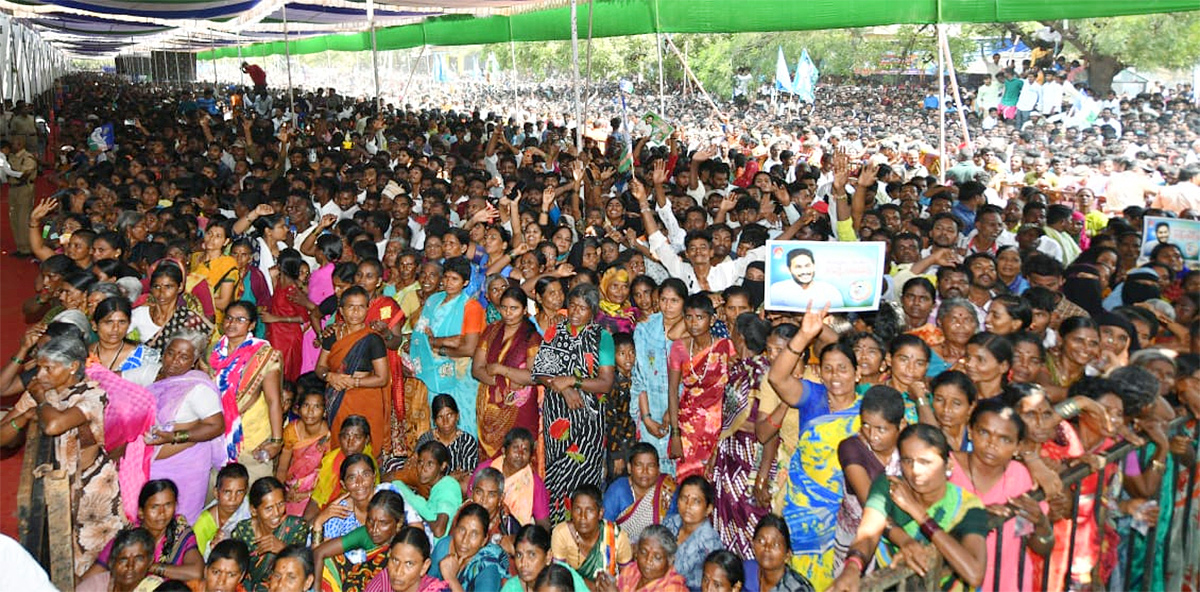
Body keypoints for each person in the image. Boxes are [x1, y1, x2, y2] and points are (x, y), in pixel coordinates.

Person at [1, 335, 125, 578]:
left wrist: (38, 400)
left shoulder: (91, 394)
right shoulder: (44, 390)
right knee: (64, 561)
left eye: (49, 368)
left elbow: (54, 424)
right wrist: (24, 418)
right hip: (59, 492)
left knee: (95, 567)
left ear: (73, 367)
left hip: (92, 492)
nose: (40, 375)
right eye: (40, 367)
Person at [828, 425, 989, 592]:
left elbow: (974, 574)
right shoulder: (889, 487)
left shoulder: (966, 505)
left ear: (948, 465)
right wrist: (852, 567)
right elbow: (868, 534)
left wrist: (917, 512)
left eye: (925, 462)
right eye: (907, 460)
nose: (915, 471)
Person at [767, 308, 862, 589]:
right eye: (828, 368)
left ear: (857, 374)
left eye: (843, 368)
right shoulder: (813, 396)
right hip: (804, 513)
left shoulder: (867, 411)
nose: (835, 376)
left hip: (846, 516)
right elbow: (777, 378)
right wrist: (804, 335)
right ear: (819, 371)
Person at [947, 399, 1054, 591]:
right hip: (955, 582)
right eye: (984, 432)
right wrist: (973, 517)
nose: (991, 444)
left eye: (1004, 439)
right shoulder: (947, 468)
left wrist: (1040, 523)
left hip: (1007, 582)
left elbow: (1042, 547)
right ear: (970, 431)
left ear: (1018, 446)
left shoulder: (1018, 475)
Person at [532, 283, 616, 522]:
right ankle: (558, 532)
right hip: (557, 417)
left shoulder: (603, 337)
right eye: (573, 306)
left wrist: (572, 382)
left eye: (583, 308)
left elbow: (605, 383)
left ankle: (585, 528)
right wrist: (564, 390)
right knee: (557, 476)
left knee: (584, 476)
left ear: (593, 311)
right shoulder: (554, 332)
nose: (577, 312)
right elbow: (539, 373)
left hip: (588, 420)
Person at [144, 331, 227, 522]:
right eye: (171, 353)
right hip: (152, 465)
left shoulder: (197, 386)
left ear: (194, 361)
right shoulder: (153, 375)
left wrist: (174, 437)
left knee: (181, 520)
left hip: (185, 468)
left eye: (184, 357)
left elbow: (216, 426)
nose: (174, 361)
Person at [711, 314, 773, 556]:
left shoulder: (755, 373)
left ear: (743, 337)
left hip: (750, 455)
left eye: (734, 331)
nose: (731, 335)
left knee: (746, 510)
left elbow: (764, 424)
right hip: (732, 453)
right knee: (733, 509)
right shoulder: (745, 368)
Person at [831, 386, 904, 577]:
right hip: (857, 545)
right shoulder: (852, 448)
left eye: (881, 429)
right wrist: (907, 542)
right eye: (866, 425)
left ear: (901, 425)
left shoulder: (909, 449)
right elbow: (872, 504)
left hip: (897, 545)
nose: (872, 436)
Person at [410, 257, 484, 439]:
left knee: (462, 416)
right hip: (432, 370)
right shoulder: (434, 300)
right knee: (438, 415)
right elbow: (420, 334)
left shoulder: (472, 307)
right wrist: (449, 341)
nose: (449, 283)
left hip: (461, 373)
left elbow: (468, 348)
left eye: (455, 279)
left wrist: (436, 344)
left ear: (465, 282)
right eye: (447, 278)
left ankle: (465, 457)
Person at [210, 301, 284, 482]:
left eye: (240, 319)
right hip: (217, 436)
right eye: (228, 318)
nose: (232, 323)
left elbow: (273, 400)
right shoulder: (213, 352)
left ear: (251, 325)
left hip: (252, 436)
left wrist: (276, 441)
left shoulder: (263, 355)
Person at [83, 480, 205, 583]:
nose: (162, 513)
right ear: (141, 512)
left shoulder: (181, 533)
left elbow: (196, 572)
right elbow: (91, 578)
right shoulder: (128, 539)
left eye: (168, 505)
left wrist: (150, 567)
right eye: (154, 507)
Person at [315, 286, 391, 453]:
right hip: (337, 396)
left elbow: (382, 378)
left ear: (367, 308)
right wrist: (329, 377)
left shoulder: (372, 339)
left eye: (361, 307)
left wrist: (353, 382)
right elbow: (320, 368)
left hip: (364, 398)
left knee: (363, 445)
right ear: (341, 310)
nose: (356, 312)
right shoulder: (332, 335)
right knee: (339, 443)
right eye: (351, 307)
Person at [668, 294, 735, 480]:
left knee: (714, 481)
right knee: (687, 480)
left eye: (700, 317)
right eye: (688, 317)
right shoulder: (679, 348)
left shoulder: (725, 346)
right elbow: (672, 391)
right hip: (688, 428)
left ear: (712, 320)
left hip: (719, 427)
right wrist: (675, 434)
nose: (693, 323)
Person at [472, 286, 541, 459]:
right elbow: (476, 369)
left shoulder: (531, 337)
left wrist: (501, 369)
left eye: (514, 308)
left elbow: (533, 375)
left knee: (517, 455)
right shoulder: (491, 330)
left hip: (519, 409)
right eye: (504, 308)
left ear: (524, 310)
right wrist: (504, 381)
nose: (508, 313)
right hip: (488, 406)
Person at [632, 278, 688, 476]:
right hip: (650, 410)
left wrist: (671, 412)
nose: (668, 306)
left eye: (674, 301)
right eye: (664, 300)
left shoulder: (691, 330)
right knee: (649, 475)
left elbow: (690, 380)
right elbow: (639, 377)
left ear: (684, 303)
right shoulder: (645, 329)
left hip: (683, 412)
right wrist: (646, 418)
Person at [314, 489, 409, 592]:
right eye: (370, 520)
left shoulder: (407, 544)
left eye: (383, 523)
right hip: (359, 584)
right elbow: (319, 552)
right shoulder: (366, 533)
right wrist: (316, 589)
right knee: (329, 560)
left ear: (398, 523)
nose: (374, 529)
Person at [230, 478, 313, 592]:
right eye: (269, 508)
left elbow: (300, 568)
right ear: (254, 510)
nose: (277, 512)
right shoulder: (242, 531)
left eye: (280, 504)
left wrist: (283, 549)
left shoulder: (296, 527)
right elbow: (236, 571)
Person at [552, 484, 634, 585]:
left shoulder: (616, 536)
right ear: (571, 511)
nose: (582, 517)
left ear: (600, 513)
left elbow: (628, 580)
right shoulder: (561, 533)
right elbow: (558, 578)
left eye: (589, 510)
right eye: (577, 509)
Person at [391, 440, 463, 544]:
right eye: (420, 462)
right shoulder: (436, 487)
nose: (423, 469)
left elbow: (439, 530)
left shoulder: (448, 486)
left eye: (430, 464)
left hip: (438, 547)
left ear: (442, 466)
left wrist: (417, 518)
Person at [603, 443, 677, 543]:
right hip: (620, 550)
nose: (645, 471)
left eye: (650, 466)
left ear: (658, 469)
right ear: (629, 468)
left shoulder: (667, 490)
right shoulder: (619, 490)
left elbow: (671, 532)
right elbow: (604, 529)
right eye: (639, 465)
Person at [662, 476, 725, 592]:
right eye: (684, 498)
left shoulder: (710, 543)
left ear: (708, 509)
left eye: (696, 501)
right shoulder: (670, 523)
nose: (688, 505)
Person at [132, 262, 213, 351]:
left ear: (180, 287)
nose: (162, 292)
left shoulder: (188, 319)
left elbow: (200, 352)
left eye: (168, 287)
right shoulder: (139, 314)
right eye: (157, 287)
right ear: (151, 288)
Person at [430, 503, 510, 592]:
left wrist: (451, 578)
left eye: (474, 534)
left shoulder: (487, 567)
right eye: (462, 530)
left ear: (484, 540)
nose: (465, 540)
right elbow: (425, 585)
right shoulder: (445, 546)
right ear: (455, 529)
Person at [276, 387, 331, 516]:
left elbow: (329, 476)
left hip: (317, 491)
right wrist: (282, 492)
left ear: (324, 412)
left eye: (317, 407)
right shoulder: (291, 431)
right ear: (298, 409)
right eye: (306, 405)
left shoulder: (329, 436)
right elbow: (282, 467)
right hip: (292, 488)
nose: (310, 412)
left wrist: (308, 494)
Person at [92, 296, 162, 386]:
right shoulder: (83, 353)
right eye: (109, 322)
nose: (115, 329)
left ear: (129, 324)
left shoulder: (146, 357)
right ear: (94, 325)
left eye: (122, 322)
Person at [414, 395, 480, 487]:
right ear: (434, 420)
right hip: (424, 488)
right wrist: (449, 478)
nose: (445, 421)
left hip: (454, 490)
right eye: (440, 417)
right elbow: (416, 470)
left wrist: (439, 482)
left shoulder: (467, 442)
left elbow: (467, 477)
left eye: (450, 415)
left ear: (457, 416)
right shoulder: (426, 439)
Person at [363, 527, 450, 592]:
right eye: (395, 560)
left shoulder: (432, 590)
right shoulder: (383, 581)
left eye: (409, 564)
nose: (398, 572)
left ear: (424, 566)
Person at [76, 528, 164, 592]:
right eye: (123, 560)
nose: (130, 566)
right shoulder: (95, 586)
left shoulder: (155, 588)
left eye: (139, 559)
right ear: (111, 563)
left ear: (150, 561)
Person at [742, 514, 813, 592]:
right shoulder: (745, 571)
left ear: (787, 555)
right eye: (761, 541)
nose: (767, 548)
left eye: (775, 544)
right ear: (753, 545)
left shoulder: (798, 589)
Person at [193, 464, 252, 557]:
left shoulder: (250, 509)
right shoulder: (203, 524)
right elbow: (196, 560)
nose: (233, 499)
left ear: (246, 492)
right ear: (216, 493)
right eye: (227, 492)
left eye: (239, 492)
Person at [612, 524, 689, 592]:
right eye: (643, 552)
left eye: (657, 557)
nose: (648, 560)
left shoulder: (674, 588)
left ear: (670, 560)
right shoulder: (631, 570)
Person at [769, 249, 845, 310]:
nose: (804, 271)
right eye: (798, 267)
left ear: (814, 266)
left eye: (807, 266)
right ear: (789, 269)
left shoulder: (830, 290)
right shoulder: (777, 289)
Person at [186, 539, 251, 592]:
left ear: (241, 577)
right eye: (216, 572)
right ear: (206, 571)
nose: (221, 582)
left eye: (231, 575)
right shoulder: (188, 589)